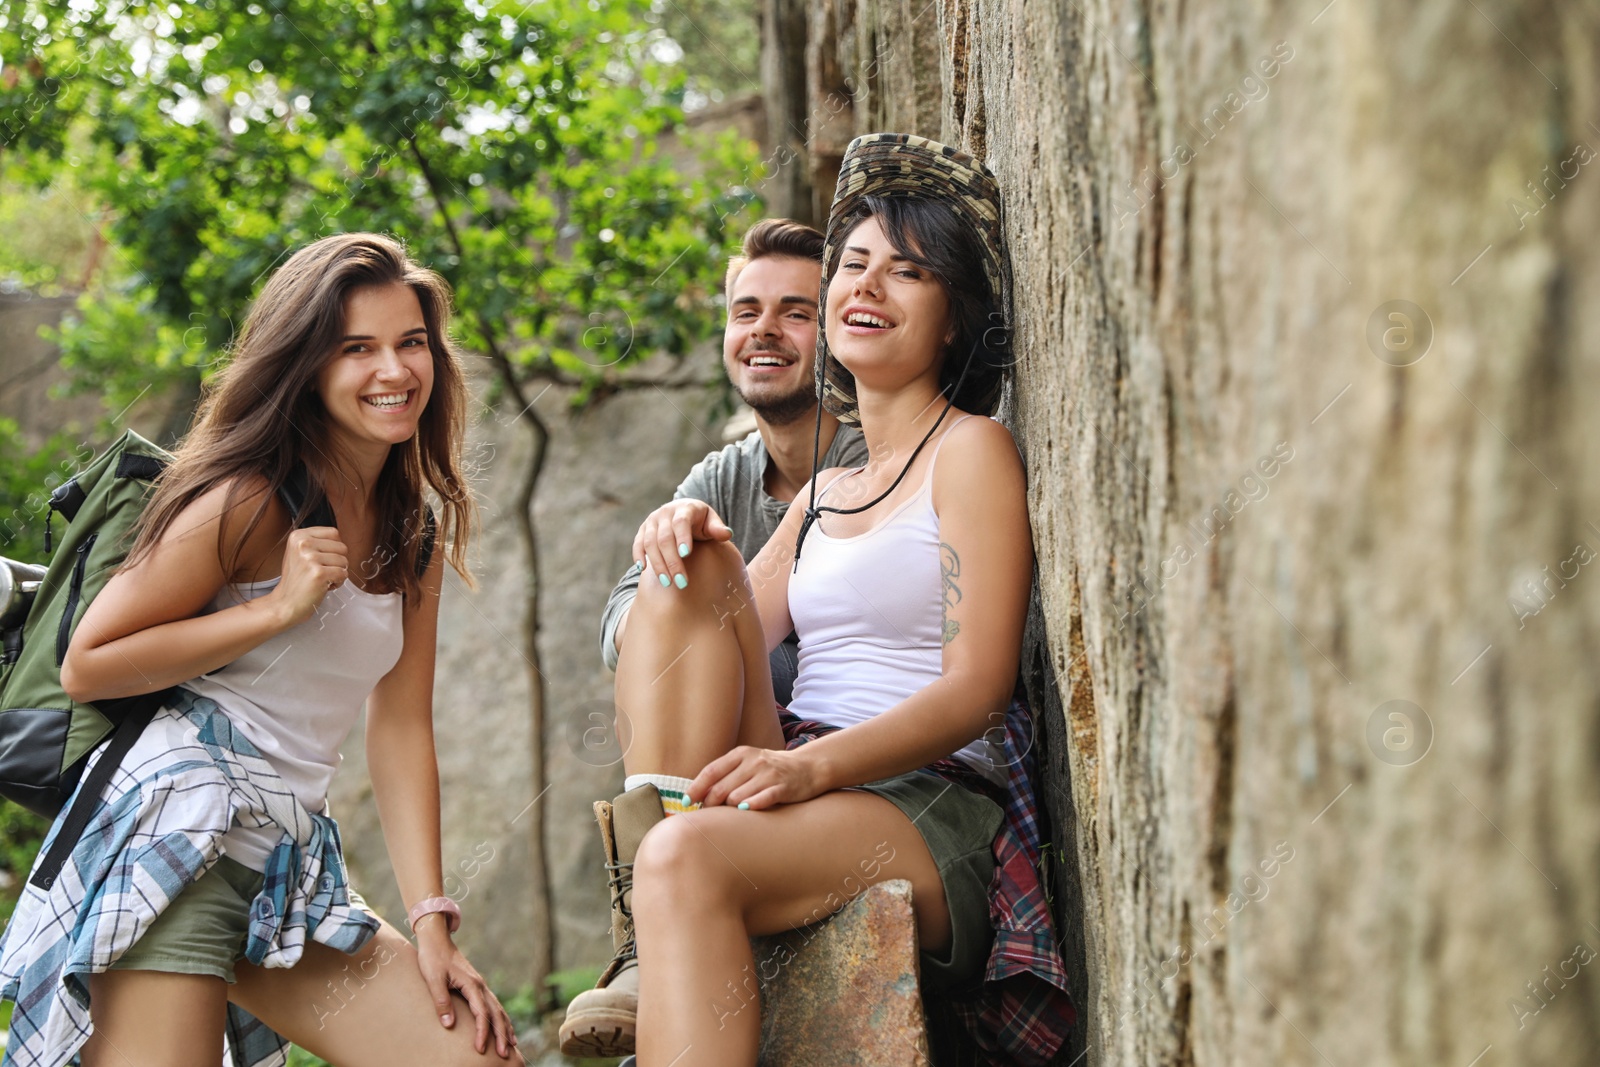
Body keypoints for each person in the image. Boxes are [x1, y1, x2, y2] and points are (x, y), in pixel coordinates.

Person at [564, 135, 1073, 1066]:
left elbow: (979, 690)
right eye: (855, 265)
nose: (867, 287)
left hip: (931, 804)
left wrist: (807, 771)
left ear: (953, 318)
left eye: (908, 272)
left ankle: (655, 879)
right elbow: (681, 637)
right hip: (801, 770)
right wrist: (669, 530)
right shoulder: (822, 498)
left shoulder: (971, 452)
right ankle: (651, 902)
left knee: (682, 857)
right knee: (694, 562)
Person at [0, 234, 523, 1067]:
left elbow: (400, 729)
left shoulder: (409, 528)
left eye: (411, 341)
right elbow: (89, 660)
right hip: (174, 834)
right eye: (358, 348)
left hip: (287, 867)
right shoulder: (247, 498)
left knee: (471, 1056)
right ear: (308, 363)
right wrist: (277, 608)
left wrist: (431, 919)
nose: (394, 369)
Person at [598, 218, 870, 707]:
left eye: (795, 314)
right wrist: (665, 598)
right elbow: (618, 620)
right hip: (760, 726)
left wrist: (686, 630)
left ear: (837, 332)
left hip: (867, 720)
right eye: (745, 313)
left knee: (719, 654)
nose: (763, 329)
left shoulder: (873, 457)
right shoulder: (721, 478)